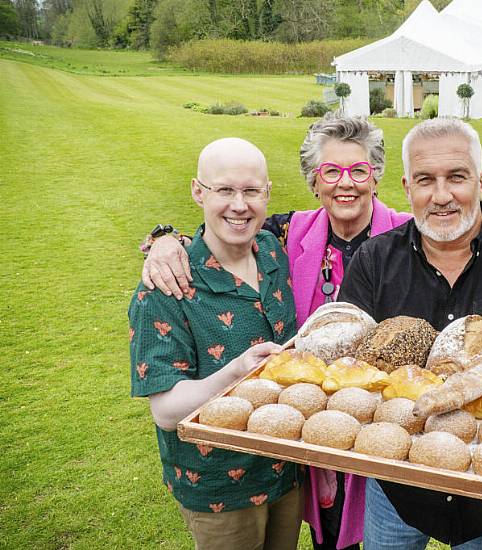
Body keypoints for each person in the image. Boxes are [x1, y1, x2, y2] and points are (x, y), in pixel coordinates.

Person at [140, 114, 482, 550]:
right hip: (314, 425)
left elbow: (463, 221)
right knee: (329, 534)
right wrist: (166, 239)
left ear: (377, 177)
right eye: (330, 171)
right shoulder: (284, 234)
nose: (345, 183)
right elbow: (228, 221)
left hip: (387, 429)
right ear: (314, 182)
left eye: (358, 170)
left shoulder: (411, 233)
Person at [338, 117, 482, 550]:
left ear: (481, 181)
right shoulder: (374, 261)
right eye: (426, 180)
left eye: (457, 177)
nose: (442, 196)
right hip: (396, 488)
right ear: (407, 186)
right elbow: (346, 367)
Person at [129, 138, 302, 550]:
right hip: (219, 488)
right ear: (198, 191)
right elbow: (167, 412)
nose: (239, 205)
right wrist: (237, 371)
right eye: (224, 190)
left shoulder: (274, 248)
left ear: (268, 193)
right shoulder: (166, 287)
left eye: (251, 191)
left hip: (287, 470)